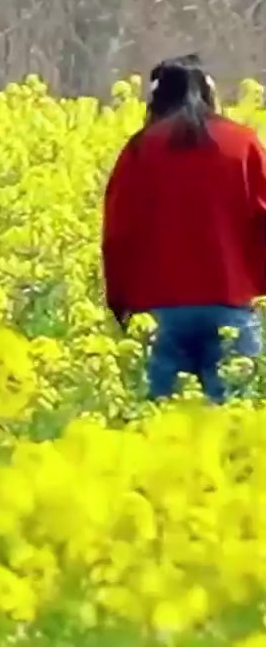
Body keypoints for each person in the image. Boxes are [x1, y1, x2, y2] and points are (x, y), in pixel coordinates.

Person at [102, 54, 266, 400]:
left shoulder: (141, 148)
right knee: (235, 427)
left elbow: (118, 234)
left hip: (157, 310)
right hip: (230, 304)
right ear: (209, 92)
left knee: (160, 425)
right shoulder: (243, 143)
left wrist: (119, 303)